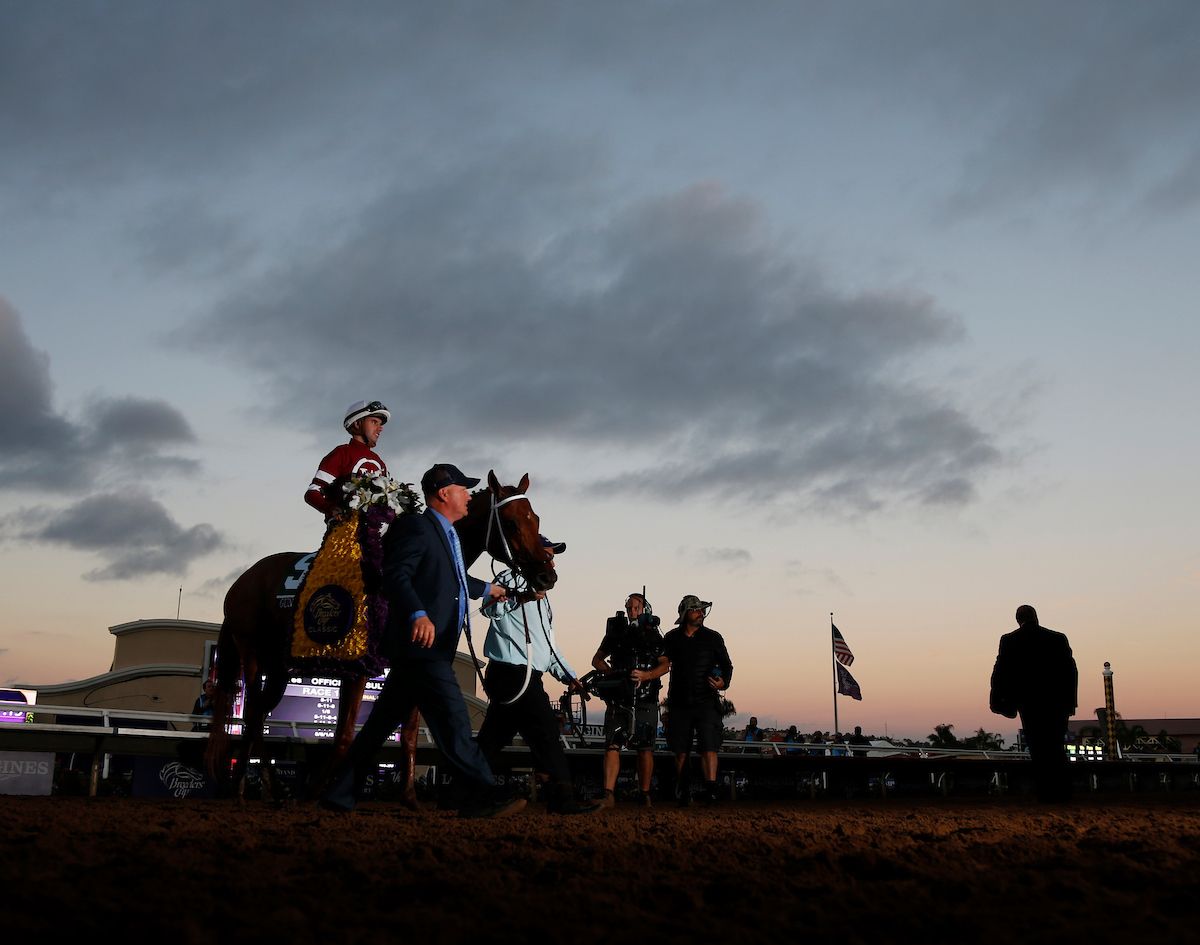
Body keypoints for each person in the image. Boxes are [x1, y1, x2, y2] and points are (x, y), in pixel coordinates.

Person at [320, 463, 522, 818]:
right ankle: (481, 794)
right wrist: (417, 612)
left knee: (379, 727)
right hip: (423, 647)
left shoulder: (445, 533)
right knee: (454, 720)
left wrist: (487, 589)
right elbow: (396, 574)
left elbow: (452, 577)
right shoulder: (417, 526)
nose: (468, 495)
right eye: (463, 489)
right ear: (444, 493)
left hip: (425, 651)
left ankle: (339, 792)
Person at [474, 540, 598, 815]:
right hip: (512, 673)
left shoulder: (544, 598)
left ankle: (460, 792)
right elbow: (490, 610)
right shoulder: (508, 578)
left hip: (526, 675)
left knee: (492, 738)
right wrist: (520, 598)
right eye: (547, 556)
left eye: (552, 558)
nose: (552, 563)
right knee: (546, 731)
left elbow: (547, 645)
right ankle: (562, 798)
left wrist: (570, 676)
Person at [989, 604, 1078, 802]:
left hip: (1029, 703)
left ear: (1018, 620)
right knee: (1056, 746)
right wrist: (1070, 702)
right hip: (1057, 703)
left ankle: (1046, 792)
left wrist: (998, 700)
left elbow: (1000, 671)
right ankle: (1063, 792)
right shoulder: (1058, 638)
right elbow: (1071, 672)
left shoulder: (1010, 640)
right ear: (1036, 617)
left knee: (1038, 747)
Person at [591, 592, 669, 808]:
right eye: (629, 608)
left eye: (636, 608)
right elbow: (597, 659)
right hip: (619, 697)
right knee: (612, 744)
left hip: (646, 697)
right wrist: (612, 674)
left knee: (645, 747)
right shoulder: (616, 633)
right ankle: (608, 793)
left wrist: (647, 675)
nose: (632, 612)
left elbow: (665, 665)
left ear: (645, 609)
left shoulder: (654, 635)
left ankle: (644, 793)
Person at [661, 594, 733, 806]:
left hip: (707, 701)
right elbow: (662, 663)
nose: (701, 613)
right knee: (680, 749)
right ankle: (683, 791)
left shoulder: (713, 637)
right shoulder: (671, 638)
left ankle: (711, 791)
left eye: (702, 610)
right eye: (696, 610)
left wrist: (723, 682)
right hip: (679, 701)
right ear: (685, 614)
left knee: (709, 746)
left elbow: (727, 666)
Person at [304, 399, 390, 521]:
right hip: (344, 529)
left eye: (380, 424)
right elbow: (312, 493)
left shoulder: (379, 462)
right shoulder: (341, 454)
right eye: (374, 422)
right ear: (357, 424)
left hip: (377, 530)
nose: (380, 428)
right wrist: (331, 509)